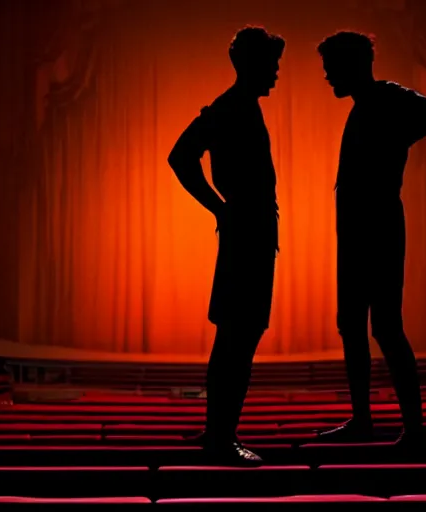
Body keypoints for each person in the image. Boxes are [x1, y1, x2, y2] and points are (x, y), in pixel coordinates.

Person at [167, 26, 284, 465]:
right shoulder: (230, 108)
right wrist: (219, 209)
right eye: (270, 66)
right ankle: (222, 439)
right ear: (250, 65)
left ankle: (219, 432)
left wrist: (220, 210)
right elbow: (180, 156)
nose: (275, 74)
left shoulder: (237, 107)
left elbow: (182, 158)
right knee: (240, 337)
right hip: (247, 237)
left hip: (249, 234)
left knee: (234, 338)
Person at [317, 31, 426, 446]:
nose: (329, 77)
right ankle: (365, 421)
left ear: (354, 65)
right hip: (358, 231)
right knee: (352, 325)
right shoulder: (371, 102)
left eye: (332, 70)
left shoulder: (388, 97)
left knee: (385, 327)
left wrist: (406, 131)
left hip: (379, 229)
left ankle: (414, 430)